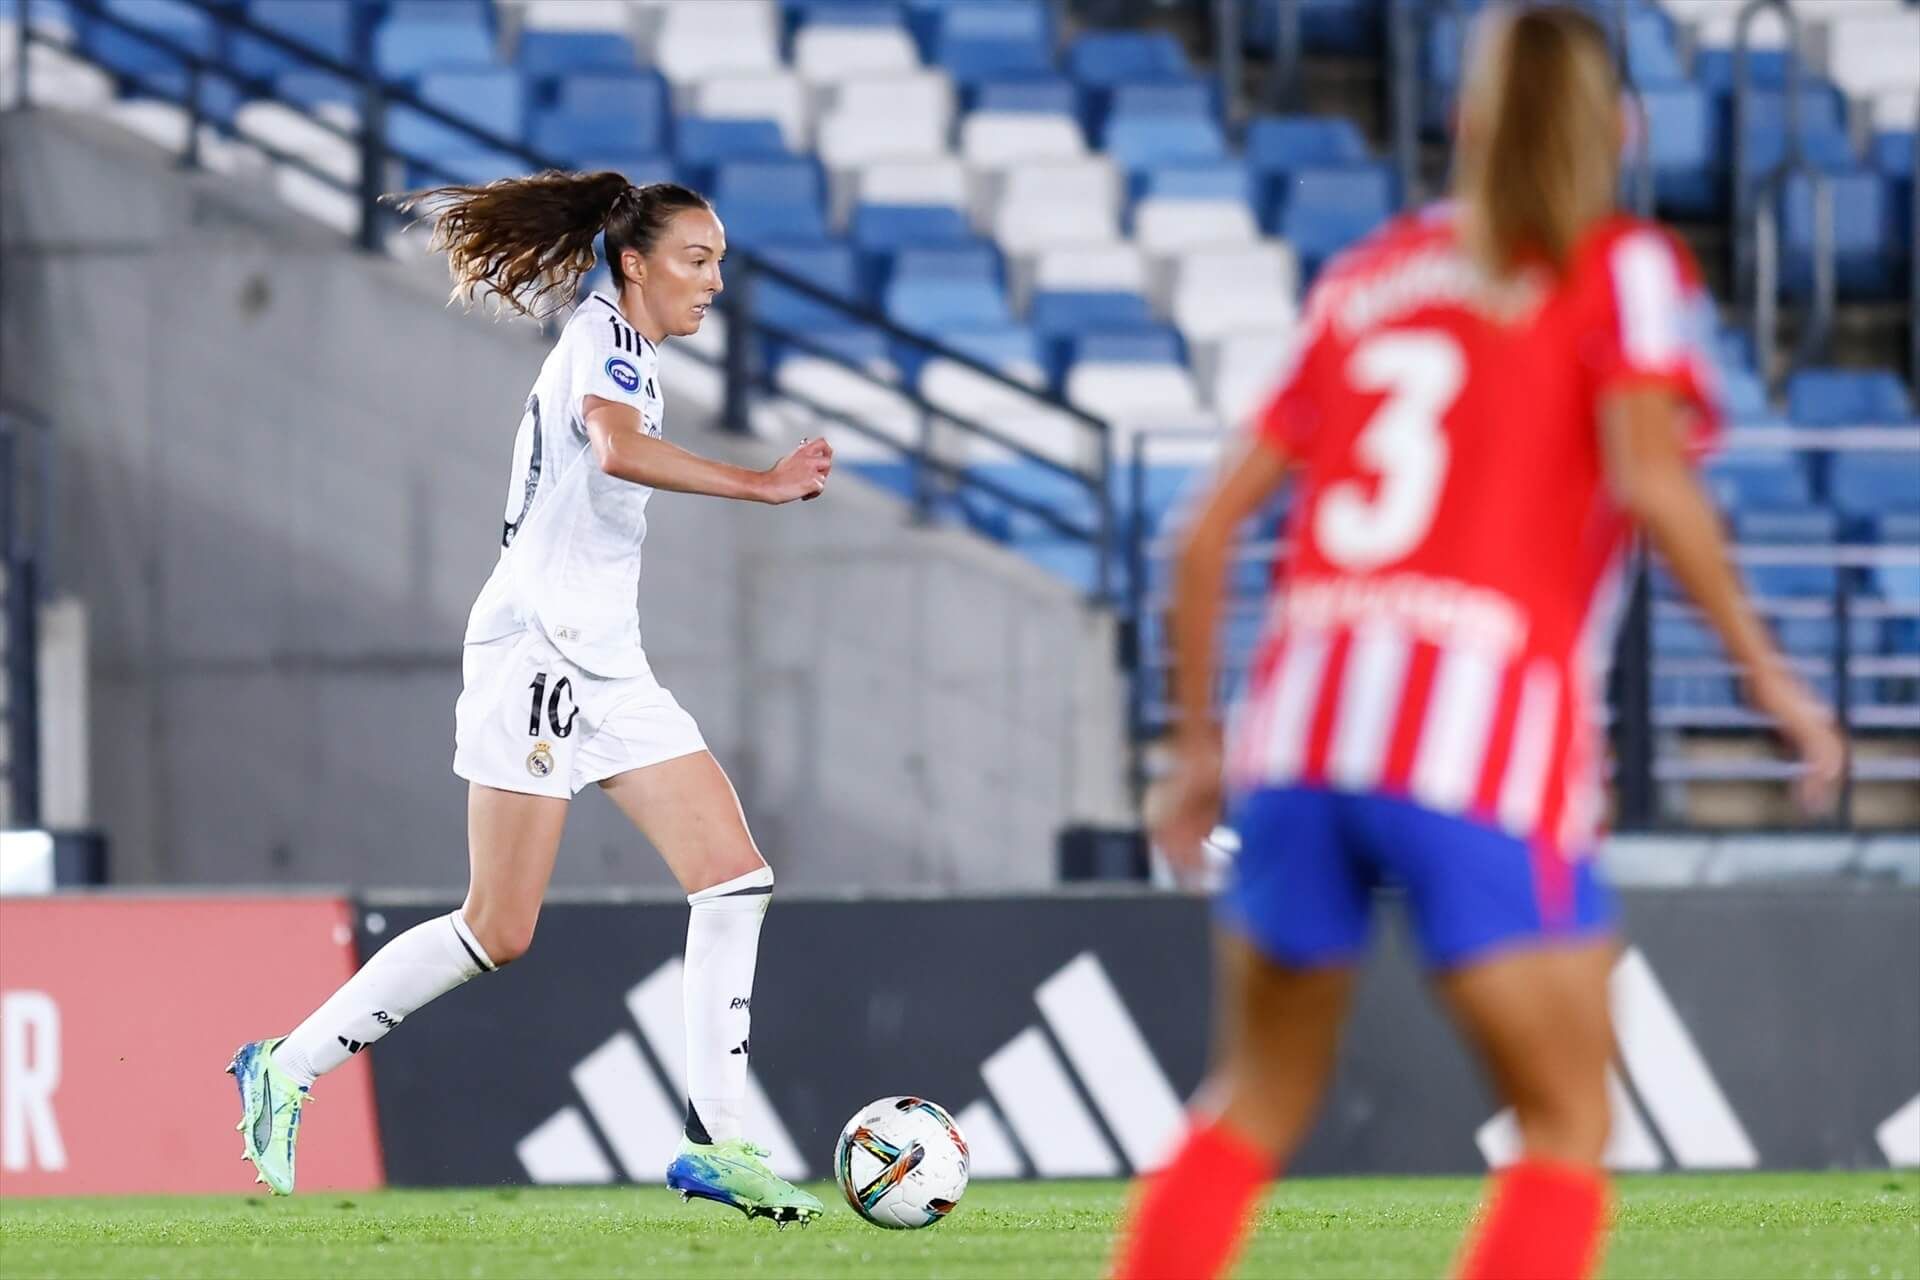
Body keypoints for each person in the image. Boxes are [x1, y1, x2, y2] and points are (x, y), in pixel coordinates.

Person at [1110, 7, 1844, 1279]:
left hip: (1303, 727)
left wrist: (1194, 743)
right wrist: (1769, 671)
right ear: (1621, 128)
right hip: (1478, 738)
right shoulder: (1621, 268)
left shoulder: (1365, 277)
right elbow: (1654, 481)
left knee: (1252, 1104)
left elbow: (1200, 537)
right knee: (1568, 1121)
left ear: (1466, 123)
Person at [226, 173, 834, 1224]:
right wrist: (762, 482)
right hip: (539, 655)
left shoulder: (633, 350)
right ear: (635, 262)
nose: (715, 279)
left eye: (721, 259)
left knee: (734, 876)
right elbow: (615, 446)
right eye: (697, 257)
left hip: (602, 655)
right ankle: (284, 1063)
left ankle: (717, 1144)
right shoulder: (604, 338)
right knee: (498, 926)